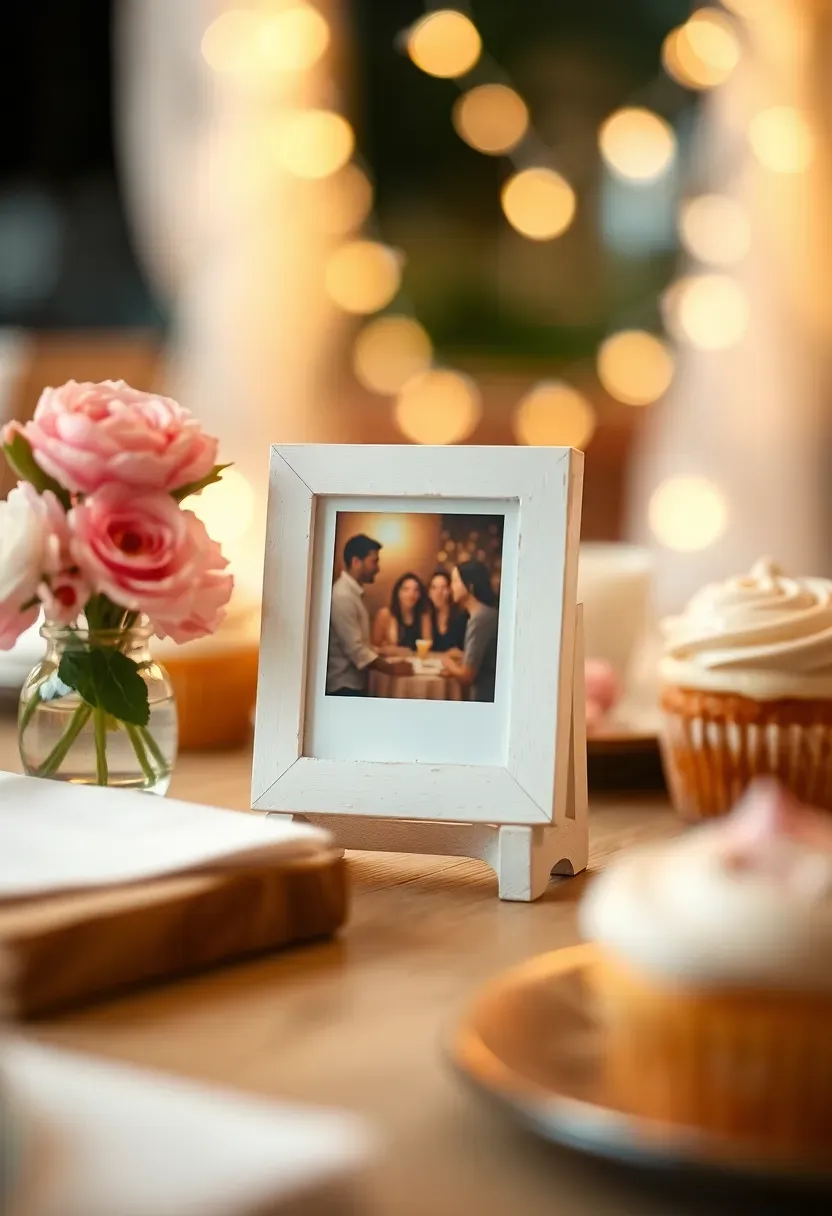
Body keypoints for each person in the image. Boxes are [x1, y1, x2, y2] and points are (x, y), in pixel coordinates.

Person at [326, 534, 412, 696]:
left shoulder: (353, 593)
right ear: (356, 562)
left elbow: (361, 645)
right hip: (344, 686)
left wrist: (384, 653)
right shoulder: (343, 596)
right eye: (374, 561)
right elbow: (356, 650)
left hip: (354, 682)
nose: (378, 568)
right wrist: (393, 668)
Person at [441, 560, 499, 702]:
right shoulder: (485, 615)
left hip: (485, 696)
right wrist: (464, 656)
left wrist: (447, 661)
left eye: (455, 581)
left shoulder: (480, 619)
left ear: (470, 586)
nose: (451, 587)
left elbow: (466, 676)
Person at [372, 573, 431, 651]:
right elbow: (374, 648)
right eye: (406, 589)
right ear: (398, 593)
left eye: (416, 590)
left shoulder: (424, 616)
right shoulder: (385, 614)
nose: (411, 594)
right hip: (391, 661)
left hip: (418, 661)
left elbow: (427, 646)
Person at [427, 569, 467, 654]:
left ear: (450, 590)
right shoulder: (427, 616)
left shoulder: (461, 616)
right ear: (429, 592)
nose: (439, 593)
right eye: (434, 588)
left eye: (444, 587)